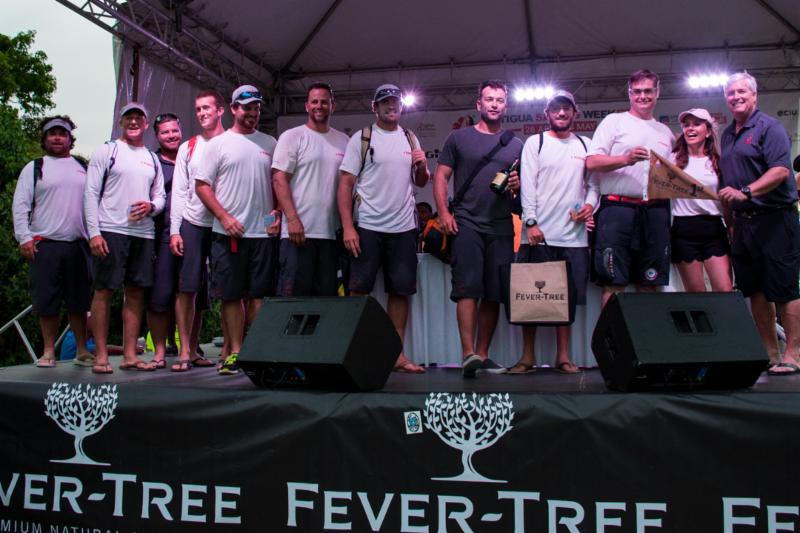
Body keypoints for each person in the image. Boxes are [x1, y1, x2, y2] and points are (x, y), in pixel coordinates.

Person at [433, 80, 523, 377]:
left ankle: (483, 355)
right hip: (466, 223)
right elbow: (441, 176)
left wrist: (516, 186)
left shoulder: (516, 145)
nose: (494, 104)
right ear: (479, 105)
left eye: (499, 99)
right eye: (489, 99)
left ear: (505, 106)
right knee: (467, 290)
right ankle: (467, 353)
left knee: (494, 293)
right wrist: (444, 212)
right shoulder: (458, 138)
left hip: (501, 226)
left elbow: (522, 192)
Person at [338, 83, 429, 374]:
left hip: (403, 228)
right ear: (374, 107)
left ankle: (396, 356)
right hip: (367, 226)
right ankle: (358, 353)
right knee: (358, 291)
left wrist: (423, 166)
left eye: (396, 102)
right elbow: (345, 185)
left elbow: (422, 181)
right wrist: (348, 227)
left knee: (400, 292)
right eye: (385, 102)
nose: (392, 106)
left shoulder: (410, 137)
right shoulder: (362, 138)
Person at [717, 72, 800, 375]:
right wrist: (730, 220)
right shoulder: (727, 134)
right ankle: (768, 352)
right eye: (731, 93)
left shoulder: (769, 127)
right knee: (756, 291)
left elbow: (780, 171)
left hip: (776, 219)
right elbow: (727, 183)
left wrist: (747, 192)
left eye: (742, 92)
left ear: (755, 95)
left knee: (785, 290)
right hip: (744, 224)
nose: (736, 97)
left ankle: (793, 354)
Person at [509, 90, 596, 375]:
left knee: (567, 299)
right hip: (538, 234)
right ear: (547, 113)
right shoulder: (536, 142)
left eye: (566, 109)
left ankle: (563, 356)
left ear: (575, 112)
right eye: (556, 109)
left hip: (573, 237)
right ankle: (527, 357)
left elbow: (594, 186)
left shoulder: (586, 144)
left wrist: (589, 206)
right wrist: (531, 222)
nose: (561, 113)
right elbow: (527, 186)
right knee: (529, 299)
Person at [195, 85, 280, 375]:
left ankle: (252, 350)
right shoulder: (218, 144)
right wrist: (225, 217)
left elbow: (277, 186)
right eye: (246, 108)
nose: (252, 113)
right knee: (230, 295)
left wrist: (277, 216)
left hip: (262, 234)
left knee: (258, 295)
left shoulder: (270, 142)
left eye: (256, 108)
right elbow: (202, 186)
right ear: (233, 109)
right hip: (227, 233)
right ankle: (234, 351)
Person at [84, 102, 166, 374]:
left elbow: (160, 197)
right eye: (128, 118)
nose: (133, 122)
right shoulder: (107, 151)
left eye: (138, 118)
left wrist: (151, 207)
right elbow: (90, 193)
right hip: (110, 230)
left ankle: (130, 355)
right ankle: (101, 355)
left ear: (145, 124)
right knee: (104, 291)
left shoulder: (151, 158)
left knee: (135, 293)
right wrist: (94, 233)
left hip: (143, 233)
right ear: (121, 122)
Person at [585, 69, 675, 309]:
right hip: (617, 209)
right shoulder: (615, 121)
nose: (642, 96)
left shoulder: (666, 133)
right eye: (637, 92)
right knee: (614, 284)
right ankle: (610, 345)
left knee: (649, 283)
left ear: (657, 93)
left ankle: (646, 345)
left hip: (655, 212)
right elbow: (592, 162)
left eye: (648, 91)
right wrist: (624, 159)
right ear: (629, 94)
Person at [12, 116, 93, 368]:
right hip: (45, 243)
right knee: (47, 301)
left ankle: (82, 349)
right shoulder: (35, 167)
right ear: (44, 139)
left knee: (79, 301)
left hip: (79, 244)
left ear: (70, 139)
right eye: (52, 134)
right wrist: (24, 238)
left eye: (62, 133)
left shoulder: (82, 166)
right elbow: (20, 205)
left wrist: (95, 236)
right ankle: (48, 351)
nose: (57, 138)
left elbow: (93, 204)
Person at [272, 82, 349, 297]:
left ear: (333, 106)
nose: (319, 106)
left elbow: (350, 186)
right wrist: (292, 219)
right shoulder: (292, 136)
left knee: (325, 306)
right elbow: (279, 178)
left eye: (324, 102)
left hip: (331, 236)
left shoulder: (344, 141)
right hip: (298, 234)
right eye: (314, 101)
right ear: (306, 106)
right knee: (292, 304)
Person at [169, 90, 226, 372]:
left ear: (220, 111)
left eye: (207, 108)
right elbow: (179, 191)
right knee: (187, 287)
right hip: (192, 222)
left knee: (226, 289)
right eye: (198, 109)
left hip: (223, 225)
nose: (202, 113)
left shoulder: (233, 142)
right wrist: (174, 231)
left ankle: (228, 350)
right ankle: (185, 351)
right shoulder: (188, 147)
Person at [669, 108, 732, 292]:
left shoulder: (718, 161)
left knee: (725, 291)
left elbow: (726, 201)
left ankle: (724, 322)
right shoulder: (672, 159)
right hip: (683, 230)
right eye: (686, 125)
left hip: (713, 228)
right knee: (696, 296)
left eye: (697, 124)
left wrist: (731, 229)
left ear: (709, 131)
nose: (690, 129)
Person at [147, 112, 182, 369]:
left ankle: (189, 347)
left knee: (192, 294)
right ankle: (160, 350)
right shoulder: (151, 162)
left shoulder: (190, 157)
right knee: (160, 296)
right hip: (159, 236)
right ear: (157, 136)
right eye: (165, 132)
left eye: (174, 131)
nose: (171, 135)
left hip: (189, 233)